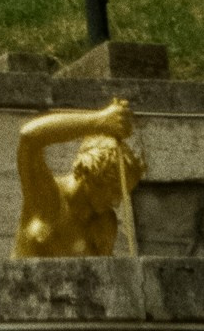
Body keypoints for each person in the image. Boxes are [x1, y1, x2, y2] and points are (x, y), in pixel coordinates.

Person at [10, 97, 146, 258]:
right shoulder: (47, 198)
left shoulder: (105, 223)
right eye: (115, 191)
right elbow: (29, 137)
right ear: (93, 173)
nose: (116, 202)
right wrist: (100, 120)